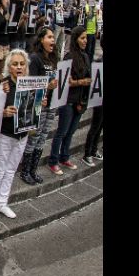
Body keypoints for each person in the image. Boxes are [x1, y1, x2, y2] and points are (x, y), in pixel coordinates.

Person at [0, 48, 35, 223]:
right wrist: (4, 112)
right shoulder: (3, 84)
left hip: (22, 135)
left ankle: (2, 203)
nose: (19, 67)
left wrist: (40, 103)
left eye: (22, 64)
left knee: (11, 170)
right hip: (6, 134)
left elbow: (33, 109)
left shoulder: (31, 84)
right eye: (15, 64)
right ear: (9, 67)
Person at [47, 26, 92, 175]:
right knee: (62, 132)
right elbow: (65, 81)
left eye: (86, 38)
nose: (85, 41)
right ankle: (53, 161)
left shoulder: (85, 56)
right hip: (67, 100)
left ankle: (64, 157)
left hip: (79, 101)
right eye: (82, 38)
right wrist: (81, 82)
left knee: (71, 132)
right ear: (75, 39)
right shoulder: (69, 57)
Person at [19, 27, 60, 185]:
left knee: (43, 137)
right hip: (39, 105)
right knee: (34, 137)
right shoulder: (35, 58)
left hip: (51, 104)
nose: (52, 40)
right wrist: (46, 87)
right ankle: (25, 171)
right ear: (41, 40)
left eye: (53, 37)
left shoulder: (54, 58)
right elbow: (30, 84)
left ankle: (33, 170)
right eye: (49, 37)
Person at [83, 33, 103, 166]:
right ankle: (87, 153)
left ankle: (94, 149)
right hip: (99, 99)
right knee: (95, 125)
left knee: (100, 126)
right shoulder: (99, 62)